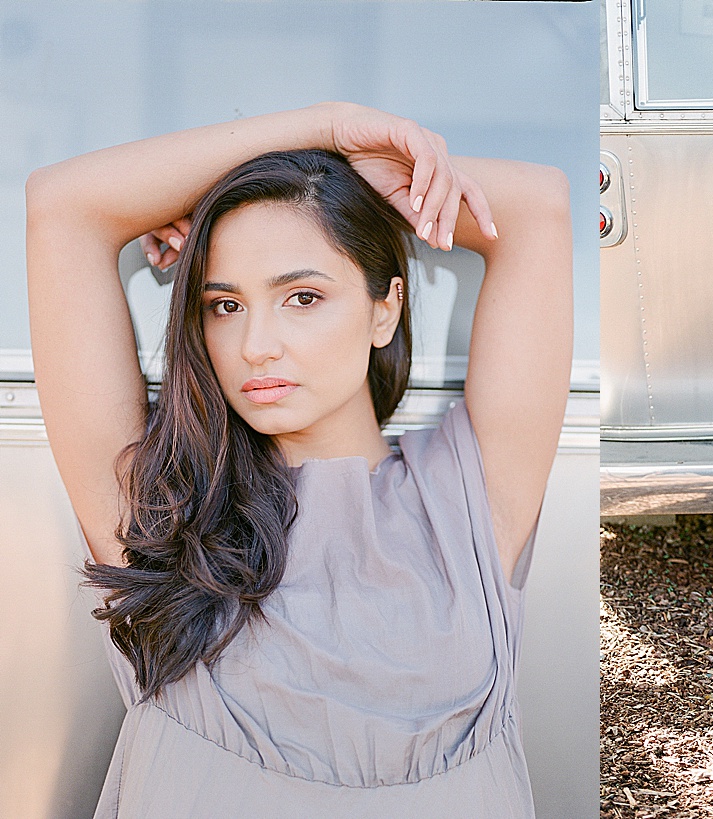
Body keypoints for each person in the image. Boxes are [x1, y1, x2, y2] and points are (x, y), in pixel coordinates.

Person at [25, 101, 571, 816]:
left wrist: (343, 175)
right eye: (226, 305)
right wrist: (325, 127)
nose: (256, 344)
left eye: (302, 296)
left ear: (386, 308)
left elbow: (540, 207)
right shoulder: (164, 507)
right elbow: (62, 207)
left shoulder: (466, 498)